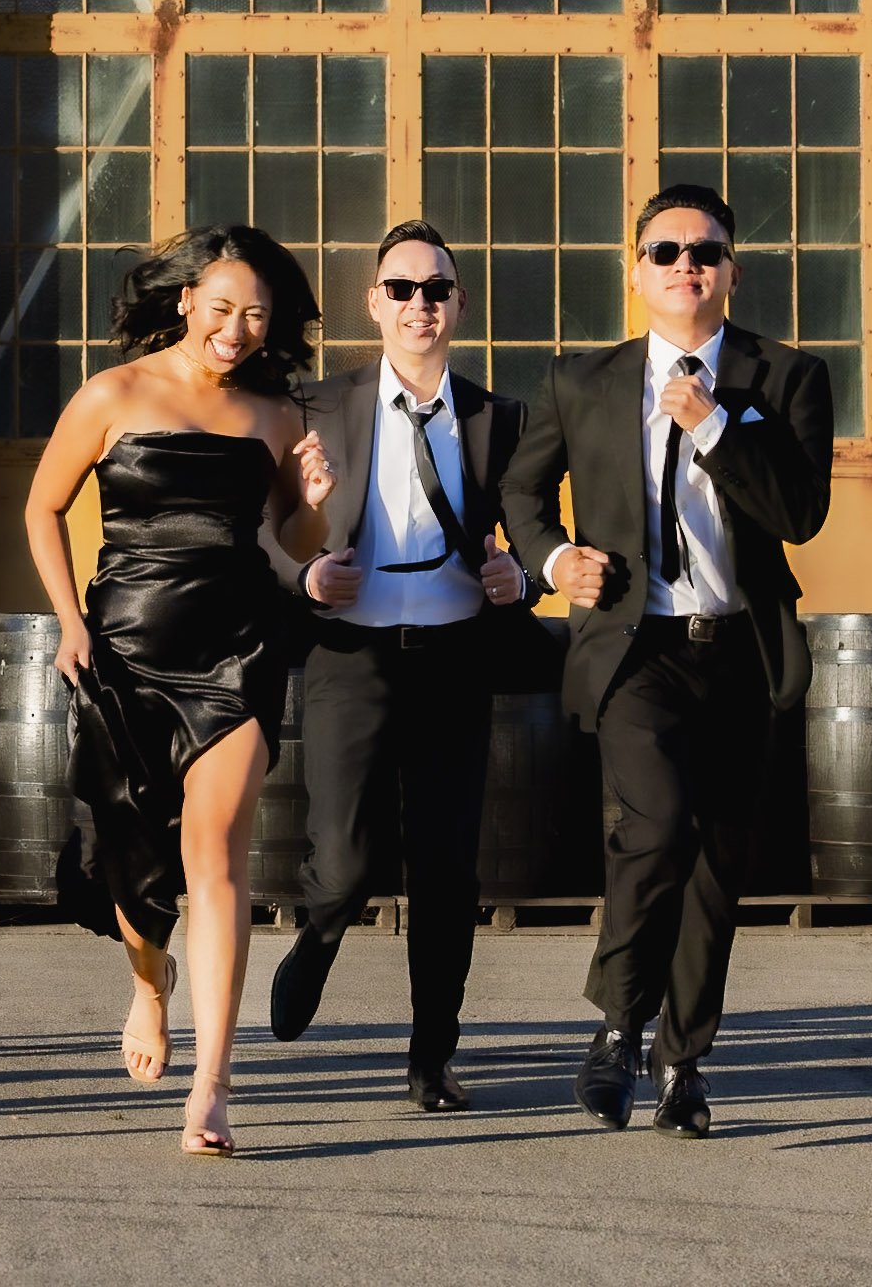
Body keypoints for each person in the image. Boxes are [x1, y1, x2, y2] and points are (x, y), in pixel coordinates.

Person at [502, 184, 834, 1138]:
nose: (685, 265)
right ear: (636, 271)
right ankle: (617, 1025)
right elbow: (525, 497)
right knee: (660, 823)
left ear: (732, 270)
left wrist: (715, 428)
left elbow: (800, 517)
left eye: (705, 251)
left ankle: (683, 1063)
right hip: (635, 647)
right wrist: (556, 559)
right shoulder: (585, 380)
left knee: (718, 867)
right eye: (666, 251)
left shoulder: (785, 377)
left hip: (740, 650)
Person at [24, 224, 335, 1156]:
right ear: (186, 299)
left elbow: (301, 544)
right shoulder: (112, 394)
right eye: (225, 308)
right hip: (122, 646)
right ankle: (149, 987)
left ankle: (213, 1087)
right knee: (132, 857)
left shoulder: (277, 416)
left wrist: (317, 493)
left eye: (258, 316)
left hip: (236, 650)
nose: (238, 330)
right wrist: (70, 624)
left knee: (218, 859)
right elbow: (42, 505)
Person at [264, 220, 548, 1112]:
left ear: (459, 305)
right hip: (351, 656)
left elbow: (531, 536)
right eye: (402, 289)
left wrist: (523, 577)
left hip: (455, 661)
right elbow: (263, 533)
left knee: (445, 868)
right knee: (344, 860)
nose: (419, 304)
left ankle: (433, 1054)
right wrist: (307, 572)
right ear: (373, 303)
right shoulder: (316, 407)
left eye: (436, 290)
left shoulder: (500, 418)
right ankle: (319, 932)